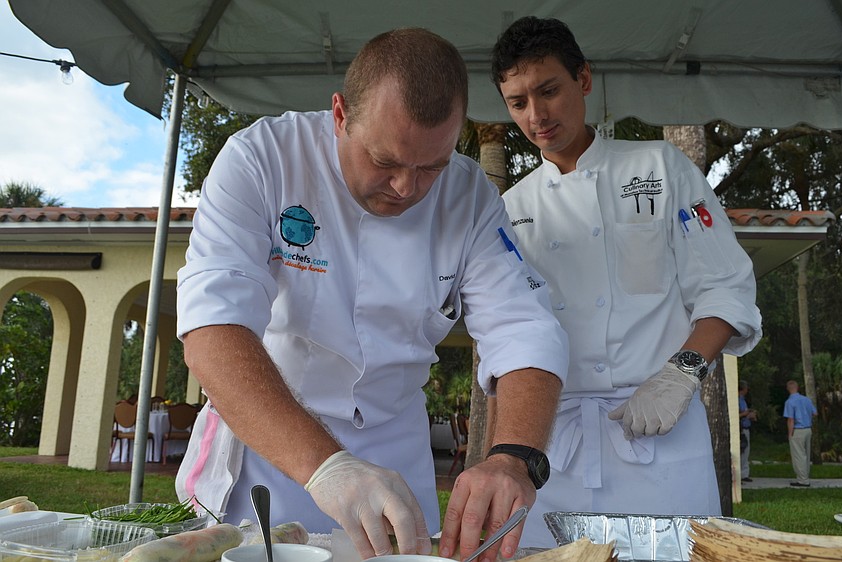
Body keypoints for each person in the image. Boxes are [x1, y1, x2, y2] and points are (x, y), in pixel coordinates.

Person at [175, 27, 569, 562]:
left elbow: (524, 329)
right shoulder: (262, 159)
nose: (406, 188)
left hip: (395, 454)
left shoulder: (470, 196)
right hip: (269, 447)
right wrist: (328, 467)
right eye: (385, 161)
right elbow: (213, 327)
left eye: (431, 167)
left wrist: (514, 457)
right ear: (340, 114)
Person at [490, 16, 763, 547]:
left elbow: (726, 285)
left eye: (549, 91)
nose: (536, 115)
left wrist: (681, 374)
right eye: (518, 102)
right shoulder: (510, 208)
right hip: (554, 450)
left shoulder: (660, 168)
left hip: (660, 436)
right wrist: (501, 456)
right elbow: (504, 341)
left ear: (584, 79)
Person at [784, 380, 817, 487]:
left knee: (799, 456)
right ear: (797, 388)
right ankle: (805, 476)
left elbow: (790, 419)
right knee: (806, 455)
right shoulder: (806, 399)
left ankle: (803, 480)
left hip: (797, 430)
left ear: (788, 389)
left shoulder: (790, 402)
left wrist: (790, 434)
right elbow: (815, 413)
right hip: (808, 429)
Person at [738, 380, 757, 483]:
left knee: (746, 452)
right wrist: (745, 414)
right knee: (742, 451)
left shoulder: (743, 400)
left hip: (746, 427)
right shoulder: (737, 400)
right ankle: (738, 473)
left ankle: (744, 473)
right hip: (741, 428)